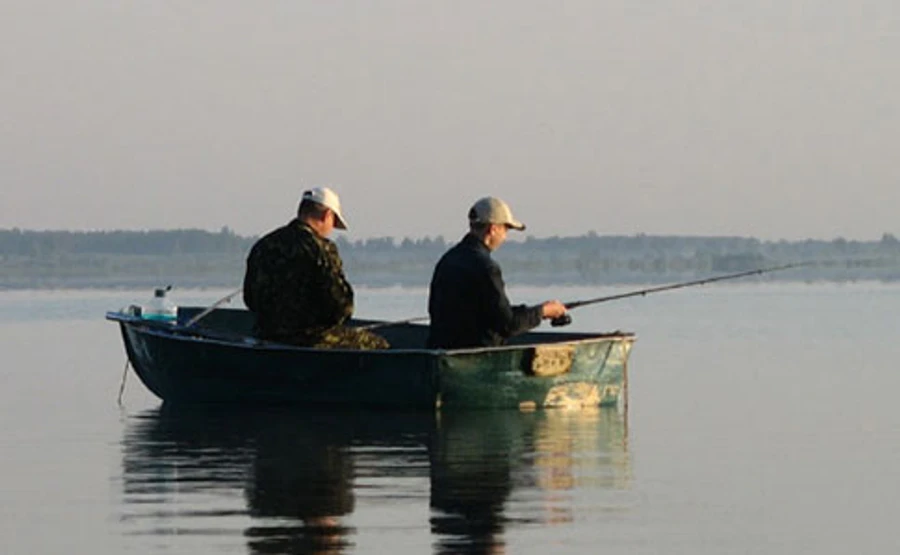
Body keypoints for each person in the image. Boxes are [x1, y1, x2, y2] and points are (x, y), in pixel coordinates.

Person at [242, 187, 389, 349]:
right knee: (380, 345)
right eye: (334, 222)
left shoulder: (263, 245)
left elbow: (249, 298)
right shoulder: (321, 249)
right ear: (327, 215)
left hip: (265, 335)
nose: (331, 229)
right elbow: (342, 307)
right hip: (310, 339)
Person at [427, 196, 567, 349]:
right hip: (475, 357)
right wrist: (543, 312)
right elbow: (508, 325)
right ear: (493, 229)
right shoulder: (486, 268)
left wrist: (531, 312)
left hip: (441, 349)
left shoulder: (448, 260)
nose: (505, 236)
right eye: (506, 229)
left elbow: (495, 314)